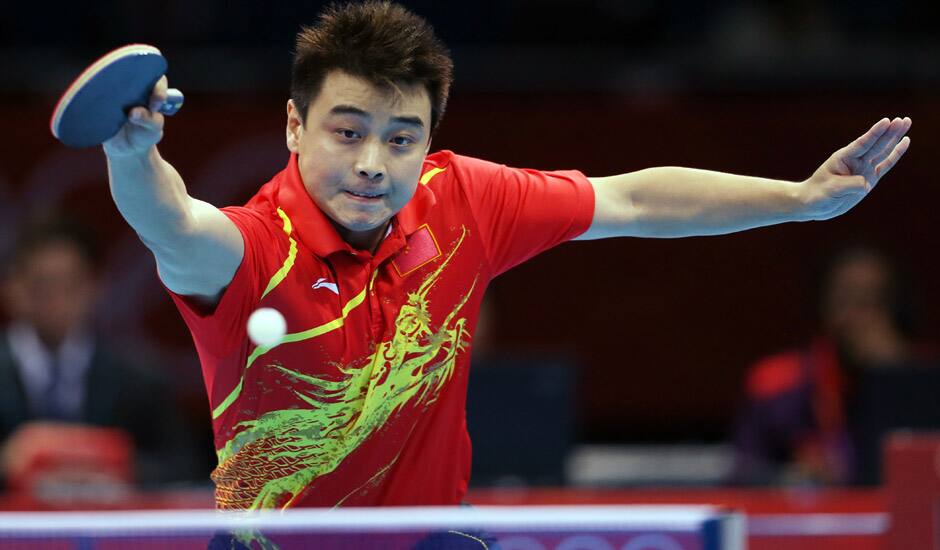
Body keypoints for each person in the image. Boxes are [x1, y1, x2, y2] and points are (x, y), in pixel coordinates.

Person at [101, 1, 911, 510]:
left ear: (429, 140)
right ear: (292, 126)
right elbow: (170, 220)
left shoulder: (462, 201)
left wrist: (802, 199)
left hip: (428, 544)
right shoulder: (250, 249)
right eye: (346, 132)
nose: (373, 164)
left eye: (401, 137)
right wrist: (132, 150)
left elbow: (631, 199)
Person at [0, 216, 196, 492]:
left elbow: (184, 466)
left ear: (94, 288)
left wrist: (113, 464)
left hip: (110, 532)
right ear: (12, 287)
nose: (56, 301)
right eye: (41, 286)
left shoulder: (139, 379)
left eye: (69, 285)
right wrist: (6, 462)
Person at [731, 246, 931, 486]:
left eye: (873, 301)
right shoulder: (776, 382)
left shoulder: (925, 380)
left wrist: (895, 370)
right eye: (846, 300)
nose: (859, 317)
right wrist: (793, 477)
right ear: (823, 303)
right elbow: (742, 472)